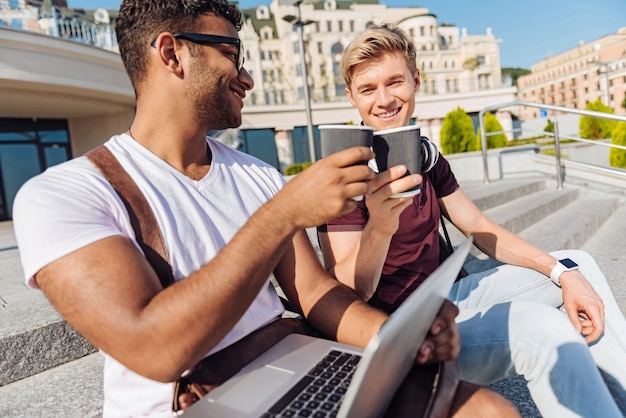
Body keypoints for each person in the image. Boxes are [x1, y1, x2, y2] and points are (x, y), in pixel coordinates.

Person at [11, 2, 520, 417]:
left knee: (492, 412)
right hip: (194, 405)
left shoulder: (256, 176)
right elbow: (155, 351)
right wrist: (283, 213)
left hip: (297, 367)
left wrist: (399, 338)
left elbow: (318, 295)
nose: (247, 76)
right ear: (172, 53)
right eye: (232, 52)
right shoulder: (64, 194)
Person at [317, 23, 626, 417]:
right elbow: (349, 293)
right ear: (351, 98)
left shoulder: (425, 156)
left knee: (578, 266)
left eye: (395, 82)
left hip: (447, 299)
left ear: (415, 81)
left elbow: (480, 227)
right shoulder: (344, 172)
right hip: (399, 331)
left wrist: (562, 274)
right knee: (543, 329)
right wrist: (379, 226)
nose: (384, 99)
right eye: (368, 89)